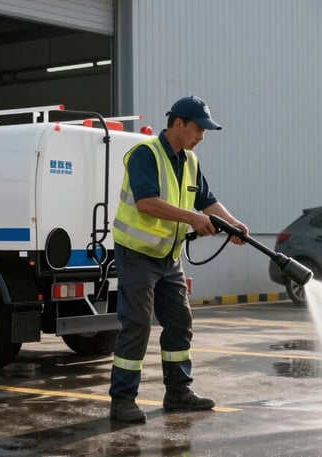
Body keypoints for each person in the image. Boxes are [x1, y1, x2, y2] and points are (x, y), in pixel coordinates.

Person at [109, 95, 248, 423]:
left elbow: (206, 199)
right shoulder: (145, 154)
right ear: (177, 124)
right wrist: (191, 218)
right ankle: (123, 400)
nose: (202, 136)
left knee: (180, 322)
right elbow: (146, 203)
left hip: (168, 256)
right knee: (138, 325)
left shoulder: (190, 161)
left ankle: (178, 392)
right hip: (137, 255)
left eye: (205, 130)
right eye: (198, 128)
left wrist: (233, 225)